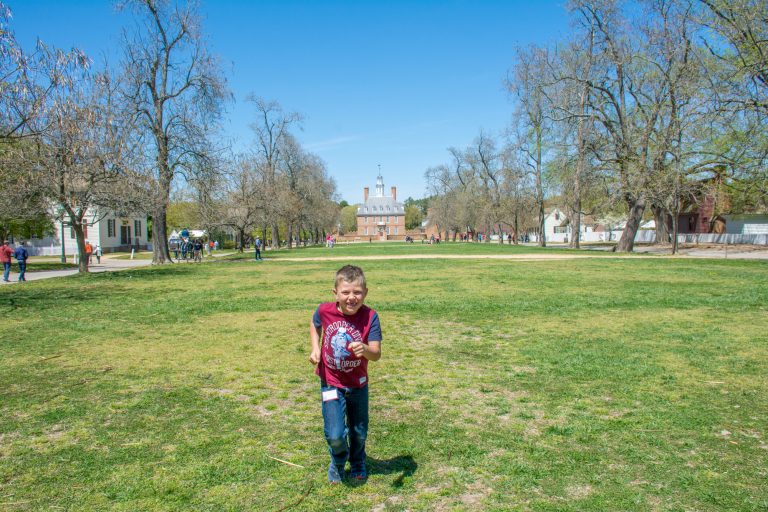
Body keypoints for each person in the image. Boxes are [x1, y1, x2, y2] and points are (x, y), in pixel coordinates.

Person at [309, 265, 382, 484]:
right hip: (330, 382)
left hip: (358, 384)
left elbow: (376, 354)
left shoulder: (370, 317)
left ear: (365, 292)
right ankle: (338, 461)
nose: (351, 297)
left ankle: (358, 460)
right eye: (346, 292)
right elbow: (315, 324)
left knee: (359, 431)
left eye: (357, 292)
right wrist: (315, 348)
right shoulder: (325, 311)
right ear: (336, 294)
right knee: (335, 434)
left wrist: (365, 350)